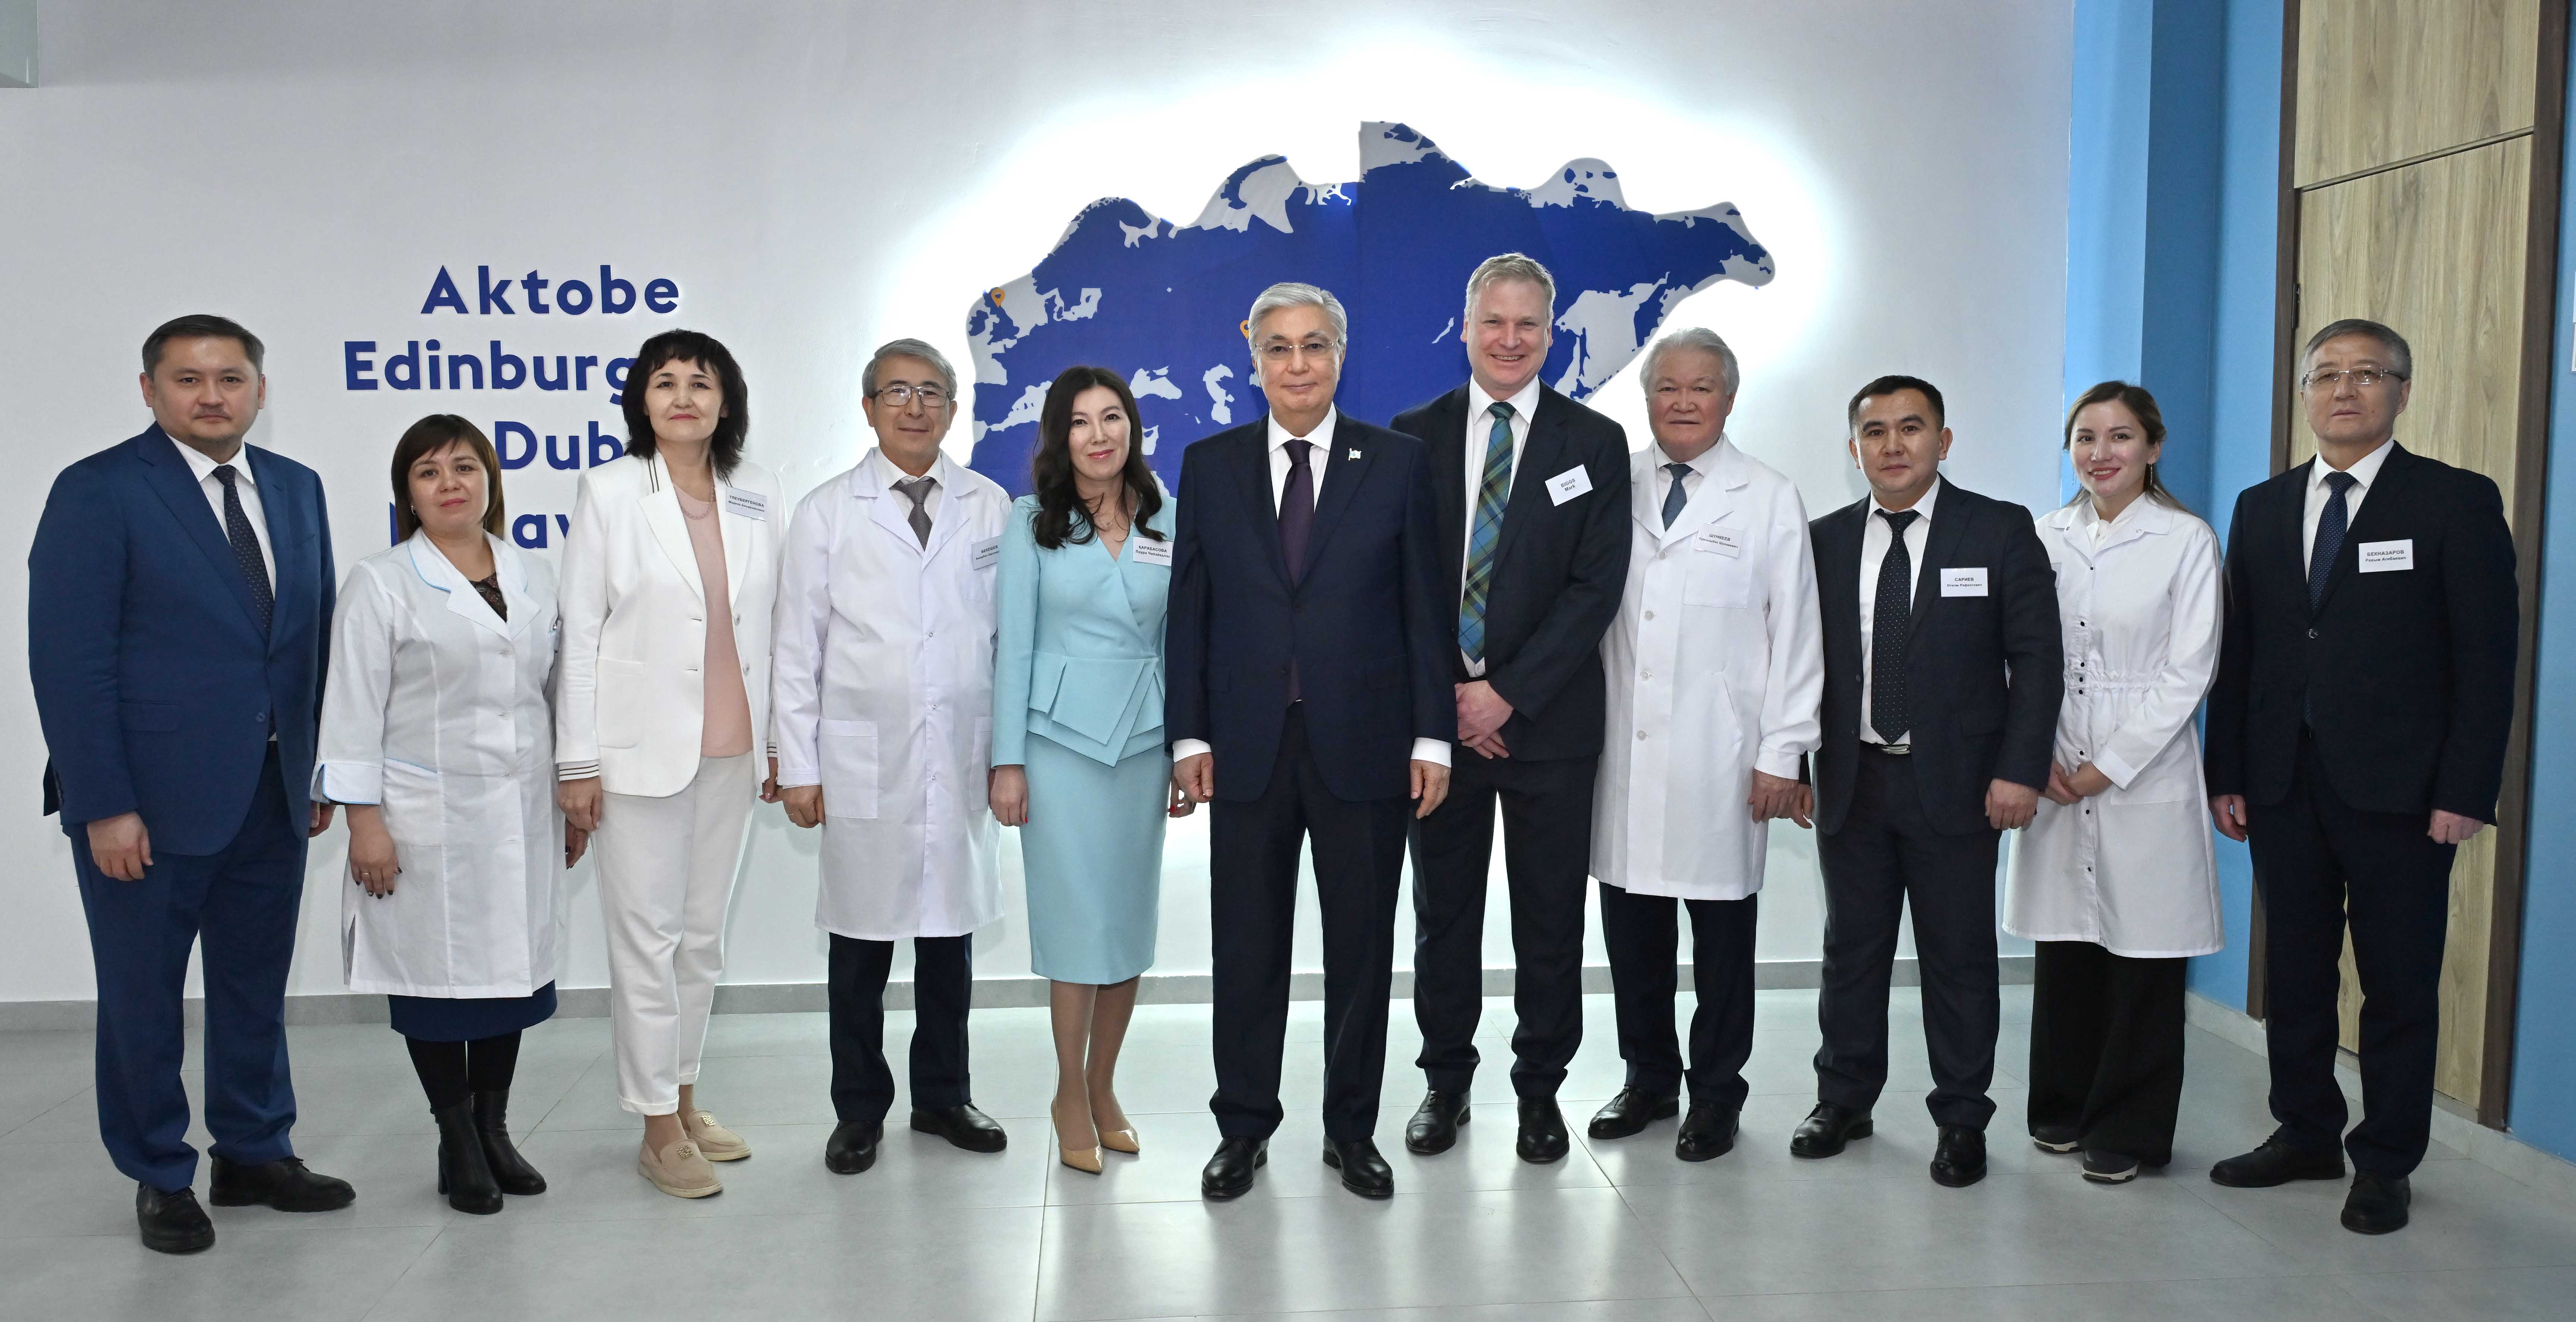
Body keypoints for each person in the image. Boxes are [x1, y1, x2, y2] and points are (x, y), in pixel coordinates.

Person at [29, 314, 354, 1254]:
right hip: (145, 804)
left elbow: (310, 641)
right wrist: (103, 803)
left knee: (254, 986)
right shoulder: (97, 490)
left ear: (260, 389)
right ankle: (159, 1172)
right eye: (187, 379)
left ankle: (255, 1150)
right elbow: (70, 661)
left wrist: (314, 764)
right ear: (149, 390)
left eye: (230, 378)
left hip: (271, 791)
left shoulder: (295, 487)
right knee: (143, 995)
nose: (212, 396)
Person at [2204, 319, 2517, 1234]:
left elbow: (2488, 660)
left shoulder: (2454, 501)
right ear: (2305, 393)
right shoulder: (2263, 506)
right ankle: (2306, 1131)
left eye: (2368, 374)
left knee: (2398, 983)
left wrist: (2465, 789)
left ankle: (2385, 1160)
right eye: (2327, 374)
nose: (2344, 389)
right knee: (2296, 974)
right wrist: (2229, 770)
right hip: (2282, 783)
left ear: (2402, 393)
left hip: (2405, 793)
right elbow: (2244, 650)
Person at [1166, 281, 1454, 1201]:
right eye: (1279, 347)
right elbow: (1190, 612)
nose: (1298, 364)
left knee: (1361, 951)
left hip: (1367, 747)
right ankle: (1243, 1127)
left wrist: (1434, 739)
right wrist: (1187, 734)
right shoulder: (1210, 465)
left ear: (1340, 354)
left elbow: (1424, 611)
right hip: (1245, 747)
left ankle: (1351, 1129)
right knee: (1247, 948)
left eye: (1315, 345)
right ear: (1254, 358)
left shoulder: (1398, 462)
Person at [1391, 253, 1632, 1166]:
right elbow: (1402, 585)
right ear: (1465, 327)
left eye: (1528, 323)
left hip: (1550, 730)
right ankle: (1445, 1082)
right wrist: (1450, 702)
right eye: (1494, 321)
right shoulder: (1413, 437)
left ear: (1551, 333)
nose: (1509, 339)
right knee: (1443, 917)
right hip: (1441, 734)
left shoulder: (1594, 443)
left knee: (1550, 921)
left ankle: (1540, 1091)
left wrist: (1506, 695)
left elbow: (1594, 589)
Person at [315, 415, 585, 1214]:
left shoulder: (535, 574)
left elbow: (559, 694)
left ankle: (494, 1128)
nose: (450, 484)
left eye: (465, 467)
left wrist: (571, 792)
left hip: (523, 809)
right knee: (432, 985)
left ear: (490, 479)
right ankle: (456, 1137)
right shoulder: (381, 582)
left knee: (509, 978)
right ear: (408, 493)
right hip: (420, 816)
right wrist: (365, 821)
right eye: (428, 472)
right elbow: (352, 707)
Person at [1797, 374, 2062, 1188]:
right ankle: (1843, 1099)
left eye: (1911, 428)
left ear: (1943, 441)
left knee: (1959, 957)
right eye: (1875, 431)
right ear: (1854, 450)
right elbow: (1798, 664)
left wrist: (2019, 770)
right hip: (1854, 780)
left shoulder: (1999, 529)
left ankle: (1961, 1117)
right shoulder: (1824, 540)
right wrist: (1796, 763)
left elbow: (2038, 661)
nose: (1893, 445)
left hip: (1959, 782)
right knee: (1851, 952)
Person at [773, 338, 1012, 1177]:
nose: (915, 407)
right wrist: (799, 765)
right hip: (861, 758)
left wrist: (1010, 755)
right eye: (898, 392)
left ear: (953, 408)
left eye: (931, 392)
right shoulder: (826, 512)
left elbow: (1008, 640)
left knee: (950, 943)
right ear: (869, 408)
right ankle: (858, 1110)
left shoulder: (990, 506)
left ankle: (944, 1096)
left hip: (960, 751)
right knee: (859, 948)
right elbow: (795, 647)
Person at [556, 330, 786, 1199]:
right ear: (641, 402)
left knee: (700, 939)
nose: (683, 396)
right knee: (646, 941)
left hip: (732, 748)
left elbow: (772, 627)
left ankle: (686, 1100)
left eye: (701, 382)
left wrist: (778, 744)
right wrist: (576, 763)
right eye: (665, 382)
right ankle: (655, 1126)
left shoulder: (757, 490)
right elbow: (581, 633)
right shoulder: (612, 491)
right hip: (636, 754)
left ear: (727, 402)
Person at [1589, 328, 1822, 1162]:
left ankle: (1717, 1092)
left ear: (1729, 399)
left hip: (1724, 758)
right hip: (1624, 752)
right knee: (1633, 935)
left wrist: (1783, 755)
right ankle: (1649, 1078)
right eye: (1668, 387)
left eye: (1701, 388)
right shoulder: (1611, 483)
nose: (1683, 402)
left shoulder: (1769, 497)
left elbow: (1798, 635)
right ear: (1647, 397)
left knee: (1722, 944)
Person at [2005, 382, 2223, 1185]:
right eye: (2086, 438)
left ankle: (2130, 1128)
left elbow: (2190, 670)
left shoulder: (2186, 539)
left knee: (2144, 955)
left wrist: (2108, 764)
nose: (2101, 453)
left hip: (2145, 769)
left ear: (2153, 447)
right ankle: (2061, 1106)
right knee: (2067, 946)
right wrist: (2040, 754)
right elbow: (2018, 652)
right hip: (2055, 763)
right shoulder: (2043, 535)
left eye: (2121, 437)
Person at [990, 366, 1192, 1174]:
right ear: (1059, 435)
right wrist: (1007, 760)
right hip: (1057, 746)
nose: (1099, 435)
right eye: (1080, 422)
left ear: (1132, 428)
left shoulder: (1167, 515)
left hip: (1143, 743)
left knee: (1127, 926)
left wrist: (1184, 750)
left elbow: (1181, 641)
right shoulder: (1031, 520)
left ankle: (1103, 1085)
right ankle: (1067, 1092)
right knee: (1076, 927)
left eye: (1113, 418)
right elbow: (1014, 646)